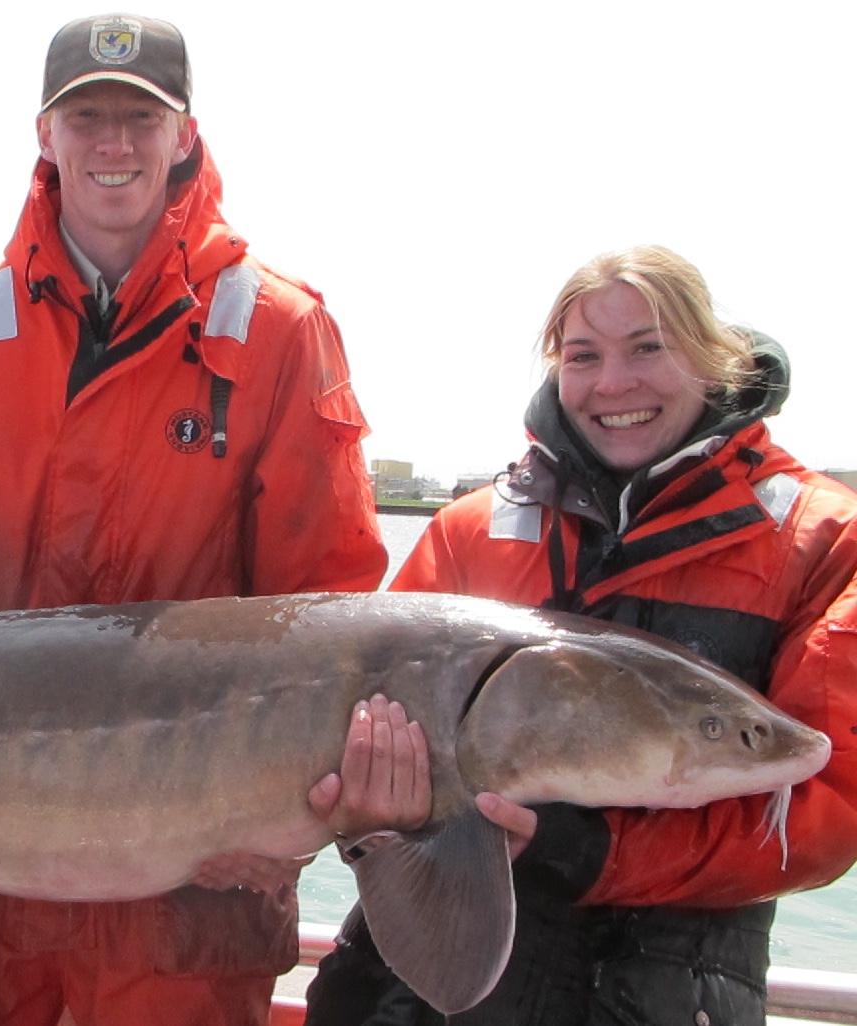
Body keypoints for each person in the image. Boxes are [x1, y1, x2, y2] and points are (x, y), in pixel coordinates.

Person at [0, 13, 392, 1025]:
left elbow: (336, 624)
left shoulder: (279, 330)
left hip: (181, 927)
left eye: (141, 117)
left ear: (186, 135)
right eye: (85, 116)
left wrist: (296, 825)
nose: (114, 143)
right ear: (43, 136)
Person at [305, 245, 857, 1025]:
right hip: (425, 990)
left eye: (648, 348)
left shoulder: (825, 539)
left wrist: (593, 852)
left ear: (714, 357)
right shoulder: (470, 530)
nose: (613, 384)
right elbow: (365, 754)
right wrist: (369, 824)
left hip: (664, 993)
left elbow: (830, 804)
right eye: (583, 356)